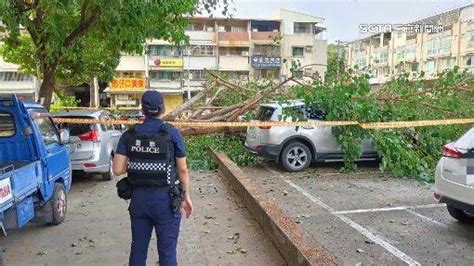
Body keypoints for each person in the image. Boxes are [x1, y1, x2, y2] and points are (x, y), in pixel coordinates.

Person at [113, 91, 193, 266]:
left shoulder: (130, 134)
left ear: (142, 109)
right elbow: (183, 169)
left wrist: (139, 162)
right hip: (166, 201)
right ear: (162, 109)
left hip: (139, 201)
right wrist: (186, 197)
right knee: (167, 253)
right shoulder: (171, 133)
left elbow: (117, 169)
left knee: (138, 250)